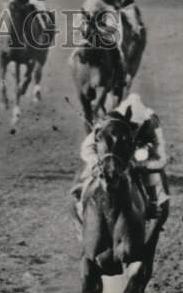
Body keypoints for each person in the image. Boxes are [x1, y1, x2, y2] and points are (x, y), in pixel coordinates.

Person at [72, 93, 169, 223]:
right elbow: (87, 147)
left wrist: (140, 165)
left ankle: (153, 203)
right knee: (90, 170)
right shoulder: (109, 122)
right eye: (130, 125)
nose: (133, 129)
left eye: (136, 126)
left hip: (137, 159)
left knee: (153, 176)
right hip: (113, 156)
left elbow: (161, 160)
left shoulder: (152, 124)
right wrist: (96, 162)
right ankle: (81, 196)